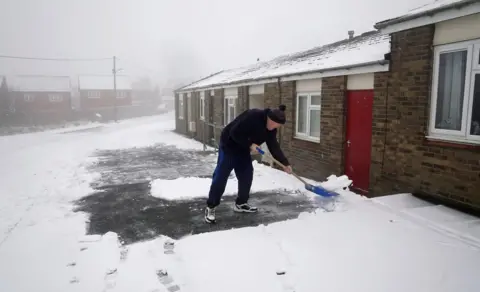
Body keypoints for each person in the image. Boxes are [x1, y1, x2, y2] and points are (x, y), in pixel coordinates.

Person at [204, 104, 292, 224]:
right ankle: (211, 206)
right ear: (269, 118)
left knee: (246, 175)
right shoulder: (252, 116)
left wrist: (285, 163)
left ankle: (241, 204)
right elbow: (235, 132)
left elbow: (274, 146)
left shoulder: (271, 130)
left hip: (243, 149)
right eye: (274, 124)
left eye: (278, 126)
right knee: (221, 176)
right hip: (229, 146)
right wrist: (250, 144)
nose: (274, 127)